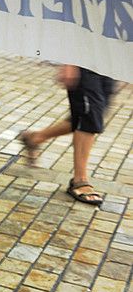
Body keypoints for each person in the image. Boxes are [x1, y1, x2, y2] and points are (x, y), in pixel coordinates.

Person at [18, 65, 117, 206]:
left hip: (107, 60)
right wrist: (71, 62)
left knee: (89, 115)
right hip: (84, 62)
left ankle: (34, 138)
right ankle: (79, 180)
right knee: (90, 115)